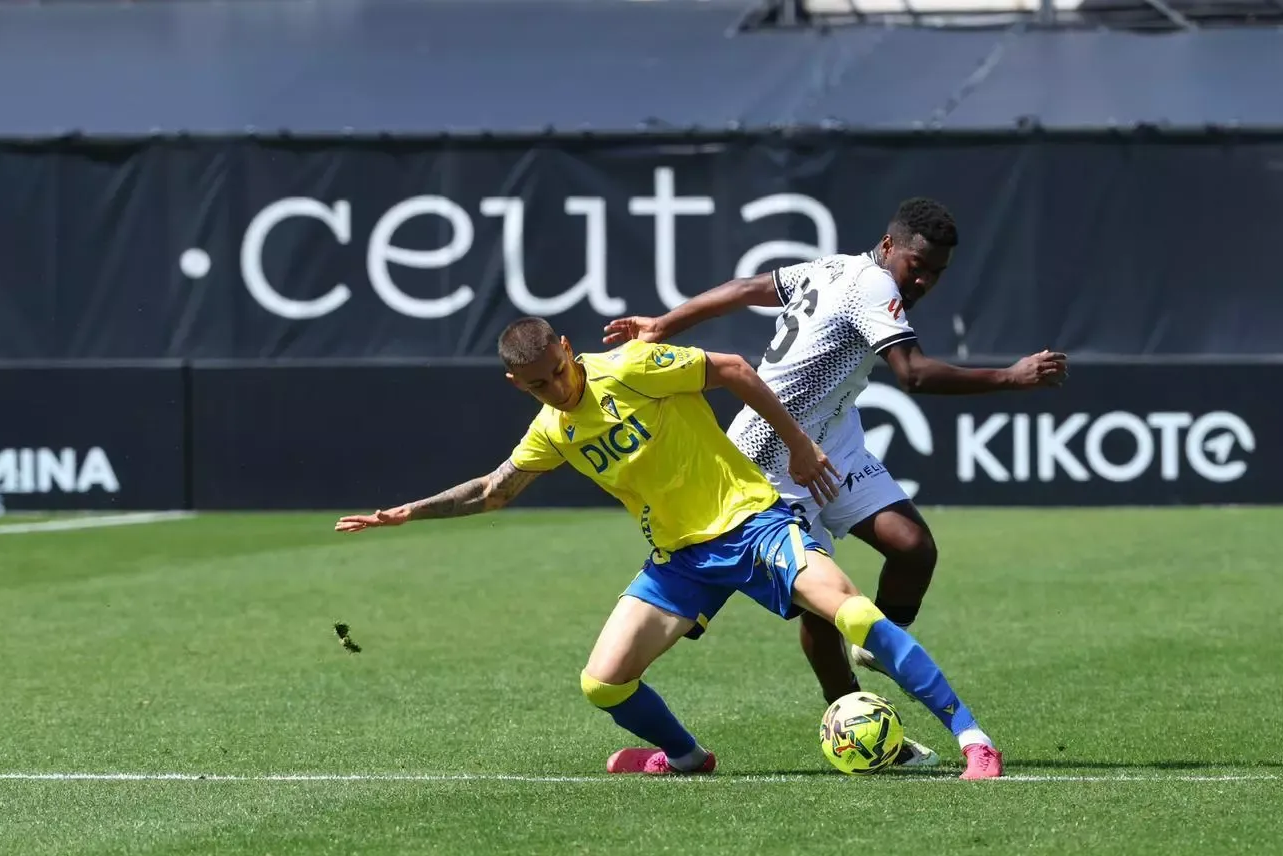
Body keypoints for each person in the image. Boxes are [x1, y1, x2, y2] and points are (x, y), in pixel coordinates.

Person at [335, 316, 1005, 780]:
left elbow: (736, 369)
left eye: (560, 371)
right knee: (602, 682)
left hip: (752, 523)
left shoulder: (631, 368)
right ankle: (687, 758)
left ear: (569, 350)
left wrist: (799, 446)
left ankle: (971, 738)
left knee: (853, 614)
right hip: (680, 561)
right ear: (519, 385)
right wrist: (407, 514)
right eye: (539, 384)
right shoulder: (553, 431)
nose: (558, 388)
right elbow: (493, 490)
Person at [603, 197, 1066, 769]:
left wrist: (666, 321)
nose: (923, 279)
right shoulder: (871, 285)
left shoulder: (832, 268)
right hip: (772, 455)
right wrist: (1010, 377)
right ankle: (852, 718)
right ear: (890, 245)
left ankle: (877, 642)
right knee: (821, 609)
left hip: (833, 438)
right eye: (917, 265)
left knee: (912, 548)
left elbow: (749, 287)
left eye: (936, 273)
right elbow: (913, 374)